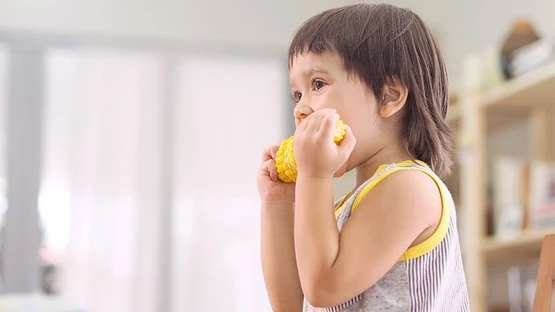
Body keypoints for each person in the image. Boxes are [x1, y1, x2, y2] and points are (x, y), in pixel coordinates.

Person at [257, 3, 470, 312]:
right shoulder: (346, 209)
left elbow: (323, 287)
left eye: (318, 84)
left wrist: (315, 177)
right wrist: (277, 204)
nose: (300, 109)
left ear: (389, 95)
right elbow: (290, 304)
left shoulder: (410, 187)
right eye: (297, 94)